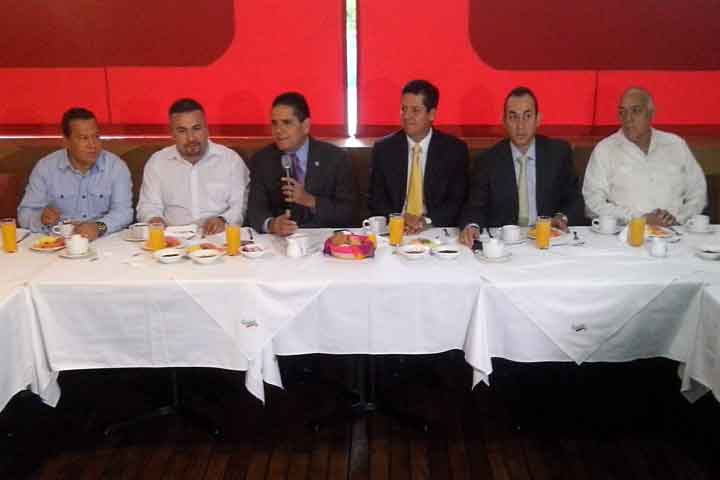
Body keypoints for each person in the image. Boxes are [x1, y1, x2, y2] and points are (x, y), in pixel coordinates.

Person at [459, 87, 584, 246]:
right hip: (505, 243)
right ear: (504, 121)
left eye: (527, 116)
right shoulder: (487, 161)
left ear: (538, 119)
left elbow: (575, 199)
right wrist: (472, 225)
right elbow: (475, 206)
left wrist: (561, 217)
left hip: (548, 240)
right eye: (513, 117)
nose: (520, 125)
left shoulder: (558, 153)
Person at [582, 87, 706, 226]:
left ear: (651, 114)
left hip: (677, 231)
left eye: (635, 111)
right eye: (622, 112)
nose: (628, 119)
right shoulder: (605, 149)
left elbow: (698, 191)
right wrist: (639, 220)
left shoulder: (675, 145)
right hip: (627, 233)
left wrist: (678, 218)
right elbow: (592, 203)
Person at [368, 79, 469, 233]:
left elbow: (457, 200)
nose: (407, 116)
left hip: (434, 229)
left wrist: (426, 221)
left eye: (415, 110)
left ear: (431, 114)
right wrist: (399, 218)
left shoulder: (454, 150)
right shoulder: (384, 149)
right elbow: (376, 199)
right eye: (404, 109)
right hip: (395, 228)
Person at [136, 98, 250, 234]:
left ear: (206, 129)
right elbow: (148, 206)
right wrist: (154, 219)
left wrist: (223, 220)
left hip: (219, 237)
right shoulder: (157, 162)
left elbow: (240, 205)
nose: (191, 138)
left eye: (196, 129)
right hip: (172, 237)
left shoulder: (231, 160)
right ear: (172, 133)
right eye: (182, 131)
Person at [247, 92, 353, 235]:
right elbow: (255, 209)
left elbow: (348, 212)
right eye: (274, 123)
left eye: (287, 122)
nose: (278, 130)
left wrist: (310, 200)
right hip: (280, 239)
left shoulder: (335, 158)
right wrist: (272, 224)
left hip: (322, 237)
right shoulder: (262, 160)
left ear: (305, 126)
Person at [18, 108, 133, 239]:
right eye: (84, 138)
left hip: (102, 240)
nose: (93, 145)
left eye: (96, 136)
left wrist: (98, 227)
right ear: (66, 141)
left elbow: (124, 212)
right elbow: (25, 214)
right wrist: (40, 219)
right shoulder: (46, 168)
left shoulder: (115, 167)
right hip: (58, 240)